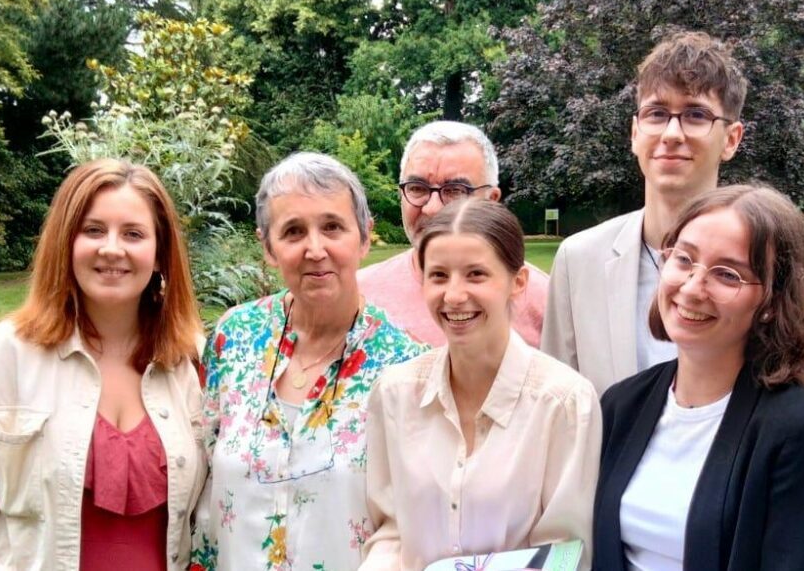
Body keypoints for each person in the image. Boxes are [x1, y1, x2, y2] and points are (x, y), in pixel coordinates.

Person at [542, 31, 804, 417]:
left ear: (731, 139)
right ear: (635, 132)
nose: (672, 134)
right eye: (656, 113)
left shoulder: (778, 253)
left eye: (695, 115)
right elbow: (555, 411)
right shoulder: (579, 260)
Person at [593, 184, 804, 571]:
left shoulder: (799, 430)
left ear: (771, 303)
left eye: (727, 275)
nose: (693, 288)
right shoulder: (623, 404)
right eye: (684, 259)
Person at [190, 153, 426, 571]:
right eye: (293, 231)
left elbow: (412, 523)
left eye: (332, 227)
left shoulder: (407, 368)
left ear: (365, 237)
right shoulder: (235, 338)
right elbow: (201, 482)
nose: (315, 249)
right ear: (268, 247)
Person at [0, 159, 206, 570]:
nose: (111, 247)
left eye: (133, 234)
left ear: (160, 255)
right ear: (65, 243)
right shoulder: (5, 355)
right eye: (93, 230)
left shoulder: (189, 363)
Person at [363, 200, 601, 571]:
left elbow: (563, 553)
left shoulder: (564, 403)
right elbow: (392, 529)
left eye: (476, 274)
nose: (454, 295)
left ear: (517, 282)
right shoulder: (395, 394)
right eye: (439, 275)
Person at [358, 120, 549, 347]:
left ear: (492, 200)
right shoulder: (358, 295)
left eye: (455, 191)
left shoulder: (543, 299)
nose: (432, 208)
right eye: (417, 188)